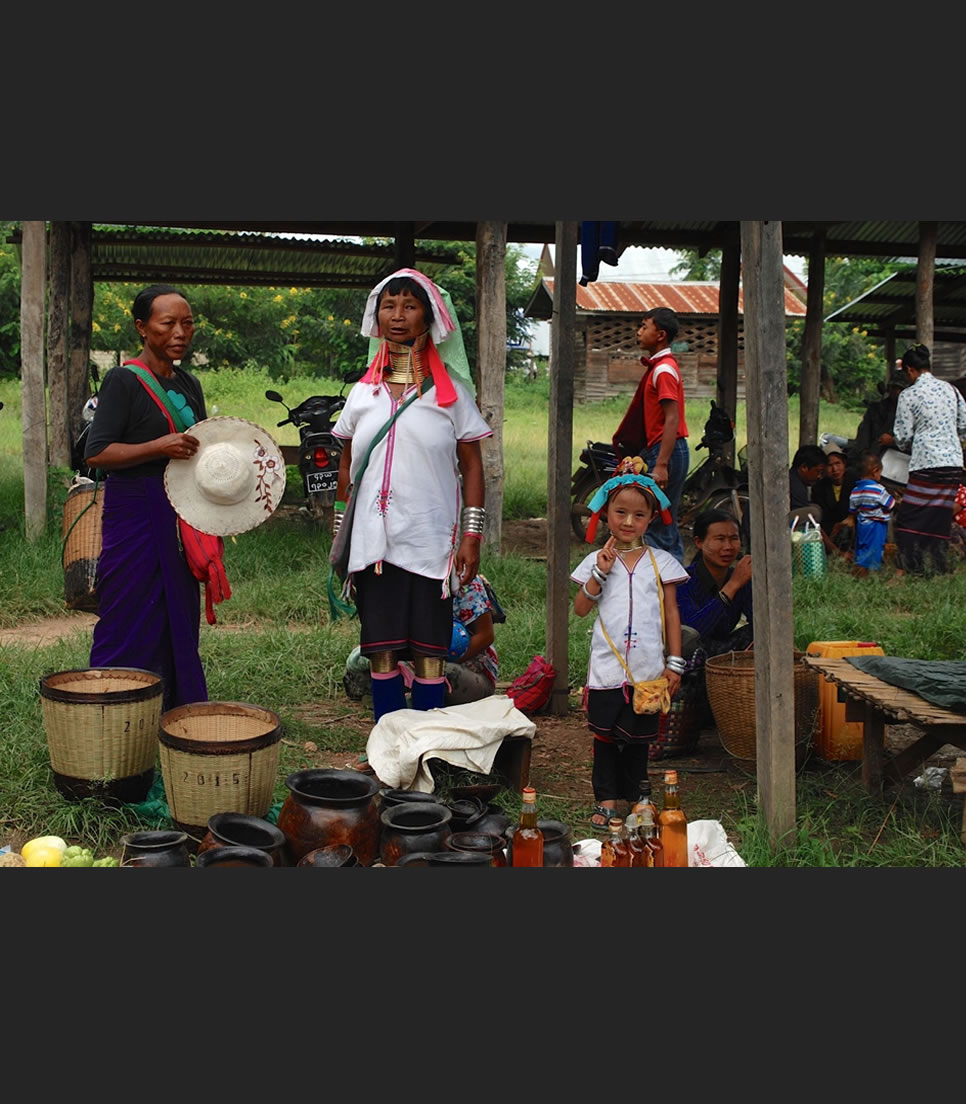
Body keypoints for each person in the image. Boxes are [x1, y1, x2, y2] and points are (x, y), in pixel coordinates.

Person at [331, 268, 493, 722]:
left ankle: (425, 747)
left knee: (429, 651)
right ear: (376, 316)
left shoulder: (453, 396)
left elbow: (473, 466)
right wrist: (340, 529)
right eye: (389, 304)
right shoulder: (363, 394)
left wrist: (472, 536)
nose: (397, 315)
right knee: (380, 651)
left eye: (410, 305)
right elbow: (346, 462)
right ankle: (388, 740)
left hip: (430, 544)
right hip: (374, 545)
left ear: (430, 318)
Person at [84, 285, 208, 712]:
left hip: (180, 513)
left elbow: (201, 446)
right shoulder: (123, 380)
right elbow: (97, 452)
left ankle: (171, 714)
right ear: (142, 327)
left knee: (177, 617)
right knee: (129, 615)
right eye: (168, 322)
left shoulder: (189, 383)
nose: (180, 331)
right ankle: (112, 713)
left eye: (187, 322)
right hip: (135, 512)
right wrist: (158, 447)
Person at [571, 458, 686, 829]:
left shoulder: (662, 563)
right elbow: (581, 608)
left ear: (651, 518)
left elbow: (671, 614)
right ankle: (606, 799)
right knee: (604, 738)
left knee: (638, 740)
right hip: (606, 668)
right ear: (605, 513)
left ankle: (638, 796)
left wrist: (675, 662)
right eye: (620, 512)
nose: (627, 522)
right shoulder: (596, 560)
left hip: (648, 668)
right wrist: (600, 572)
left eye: (638, 515)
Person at [343, 573, 499, 707]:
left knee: (437, 672)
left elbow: (485, 636)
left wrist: (427, 664)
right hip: (410, 660)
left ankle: (412, 701)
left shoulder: (462, 578)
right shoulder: (394, 576)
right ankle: (404, 696)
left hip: (466, 670)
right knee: (357, 675)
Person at [880, 343, 966, 576]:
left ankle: (905, 568)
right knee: (938, 516)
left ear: (909, 370)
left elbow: (902, 436)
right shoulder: (951, 390)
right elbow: (963, 426)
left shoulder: (909, 395)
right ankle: (936, 568)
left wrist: (911, 441)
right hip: (952, 465)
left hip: (927, 464)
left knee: (910, 516)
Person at [611, 306, 689, 562]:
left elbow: (672, 418)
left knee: (659, 522)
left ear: (661, 335)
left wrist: (662, 464)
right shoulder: (659, 367)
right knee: (661, 519)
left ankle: (671, 587)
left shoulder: (663, 370)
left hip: (664, 450)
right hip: (659, 449)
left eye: (645, 326)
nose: (639, 331)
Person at [676, 508, 753, 659]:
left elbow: (759, 621)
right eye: (720, 539)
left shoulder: (740, 578)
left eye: (733, 538)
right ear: (699, 542)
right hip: (690, 658)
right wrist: (732, 586)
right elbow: (691, 635)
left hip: (724, 651)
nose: (728, 547)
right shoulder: (683, 581)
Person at [846, 452, 896, 577]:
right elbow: (891, 504)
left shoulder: (855, 490)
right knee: (874, 549)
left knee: (862, 547)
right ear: (875, 471)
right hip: (876, 525)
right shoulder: (878, 489)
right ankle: (868, 575)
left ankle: (859, 570)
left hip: (862, 523)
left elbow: (852, 508)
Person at [811, 443, 857, 558]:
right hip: (832, 531)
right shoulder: (819, 488)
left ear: (844, 464)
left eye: (838, 463)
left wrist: (851, 517)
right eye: (829, 465)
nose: (835, 469)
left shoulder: (854, 480)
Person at [852, 366, 908, 458]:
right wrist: (865, 454)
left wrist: (893, 441)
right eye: (894, 388)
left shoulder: (911, 412)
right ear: (889, 388)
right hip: (875, 457)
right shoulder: (875, 409)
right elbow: (863, 435)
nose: (897, 392)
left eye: (901, 389)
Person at [788, 443, 827, 527]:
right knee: (814, 513)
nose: (819, 476)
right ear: (804, 467)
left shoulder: (796, 479)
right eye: (818, 472)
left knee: (816, 508)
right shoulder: (796, 486)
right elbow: (809, 518)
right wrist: (826, 540)